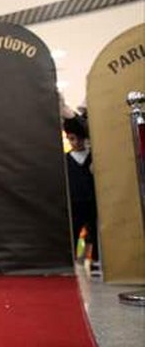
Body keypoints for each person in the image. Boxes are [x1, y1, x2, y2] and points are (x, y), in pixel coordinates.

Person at [64, 115, 98, 270]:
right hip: (74, 202)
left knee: (95, 232)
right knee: (74, 232)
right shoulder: (66, 160)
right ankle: (72, 261)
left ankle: (95, 260)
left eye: (79, 139)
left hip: (92, 201)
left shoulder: (94, 158)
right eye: (71, 139)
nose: (75, 143)